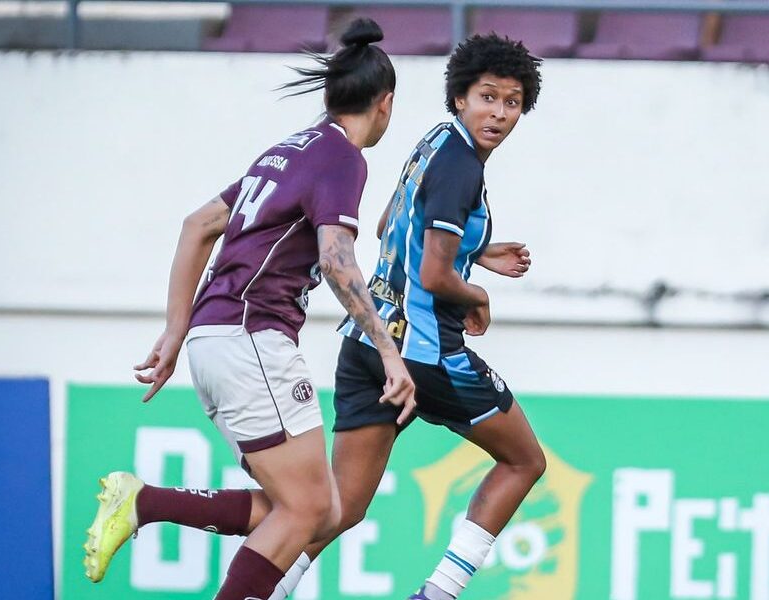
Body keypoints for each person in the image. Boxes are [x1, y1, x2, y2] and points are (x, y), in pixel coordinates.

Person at [81, 19, 415, 600]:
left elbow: (199, 225)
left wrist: (176, 331)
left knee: (317, 510)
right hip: (252, 337)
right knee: (313, 508)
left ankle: (145, 501)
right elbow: (337, 261)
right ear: (385, 104)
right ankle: (144, 503)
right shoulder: (341, 158)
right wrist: (389, 353)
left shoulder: (287, 150)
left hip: (217, 343)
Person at [330, 32, 545, 600]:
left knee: (337, 508)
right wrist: (476, 294)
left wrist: (477, 251)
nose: (498, 113)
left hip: (367, 342)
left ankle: (263, 587)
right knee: (524, 461)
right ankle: (438, 594)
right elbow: (433, 277)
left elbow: (386, 230)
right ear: (459, 97)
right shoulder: (462, 168)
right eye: (487, 96)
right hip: (424, 355)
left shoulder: (433, 143)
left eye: (512, 102)